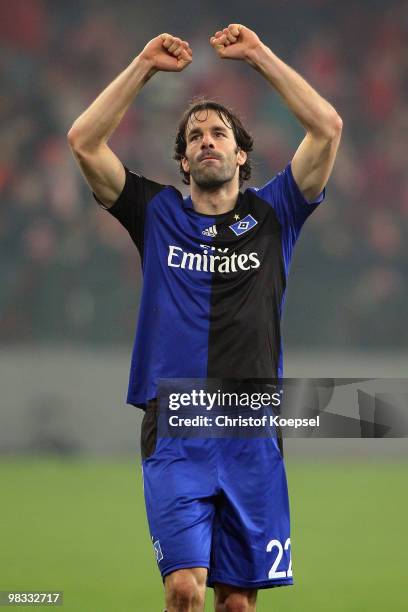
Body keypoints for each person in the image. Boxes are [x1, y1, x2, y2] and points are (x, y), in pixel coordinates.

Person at [68, 24, 342, 612]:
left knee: (237, 604)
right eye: (195, 136)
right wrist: (143, 64)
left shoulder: (276, 212)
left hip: (252, 429)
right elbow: (84, 142)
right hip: (176, 426)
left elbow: (327, 127)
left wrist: (260, 56)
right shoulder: (155, 213)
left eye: (219, 132)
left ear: (242, 154)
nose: (207, 140)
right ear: (185, 160)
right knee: (185, 590)